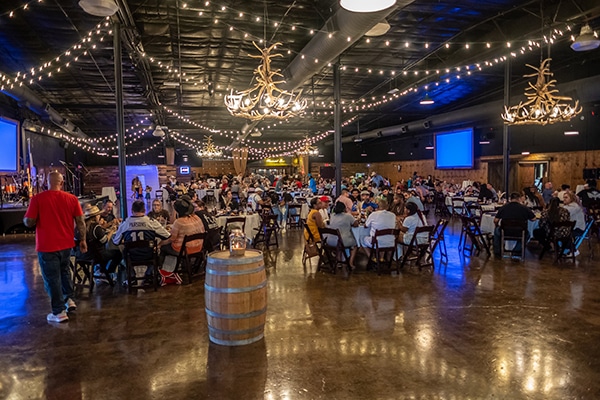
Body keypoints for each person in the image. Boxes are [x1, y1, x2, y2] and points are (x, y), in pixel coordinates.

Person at [23, 171, 86, 323]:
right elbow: (80, 221)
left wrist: (26, 220)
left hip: (47, 246)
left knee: (52, 279)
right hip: (66, 245)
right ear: (62, 183)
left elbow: (29, 222)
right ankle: (69, 299)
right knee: (65, 273)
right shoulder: (71, 199)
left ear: (46, 182)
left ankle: (59, 312)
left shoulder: (38, 199)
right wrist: (83, 240)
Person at [112, 200, 171, 279]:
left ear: (132, 210)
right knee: (158, 249)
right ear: (144, 210)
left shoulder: (125, 223)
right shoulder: (151, 222)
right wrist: (159, 245)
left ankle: (132, 275)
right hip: (149, 255)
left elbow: (116, 242)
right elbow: (167, 236)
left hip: (132, 256)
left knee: (122, 249)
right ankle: (149, 273)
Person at [75, 204, 122, 277]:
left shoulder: (78, 228)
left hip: (81, 256)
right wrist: (112, 231)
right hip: (95, 256)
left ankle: (100, 271)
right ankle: (107, 272)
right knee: (118, 253)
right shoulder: (95, 228)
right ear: (96, 216)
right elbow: (105, 241)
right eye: (98, 215)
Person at [160, 195, 205, 263]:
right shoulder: (197, 218)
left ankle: (166, 269)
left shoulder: (179, 222)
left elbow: (172, 239)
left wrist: (161, 243)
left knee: (163, 247)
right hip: (199, 248)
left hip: (185, 250)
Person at [493, 192, 536, 257]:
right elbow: (533, 219)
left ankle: (497, 251)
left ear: (510, 199)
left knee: (496, 231)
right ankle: (516, 251)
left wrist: (497, 225)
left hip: (505, 231)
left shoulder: (504, 207)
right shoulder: (524, 208)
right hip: (520, 232)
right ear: (519, 199)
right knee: (527, 235)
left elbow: (495, 220)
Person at [322, 201, 359, 268]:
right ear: (344, 209)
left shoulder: (332, 215)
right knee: (355, 245)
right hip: (341, 241)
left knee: (339, 244)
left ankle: (339, 261)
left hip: (330, 240)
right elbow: (355, 224)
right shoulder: (348, 216)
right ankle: (350, 262)